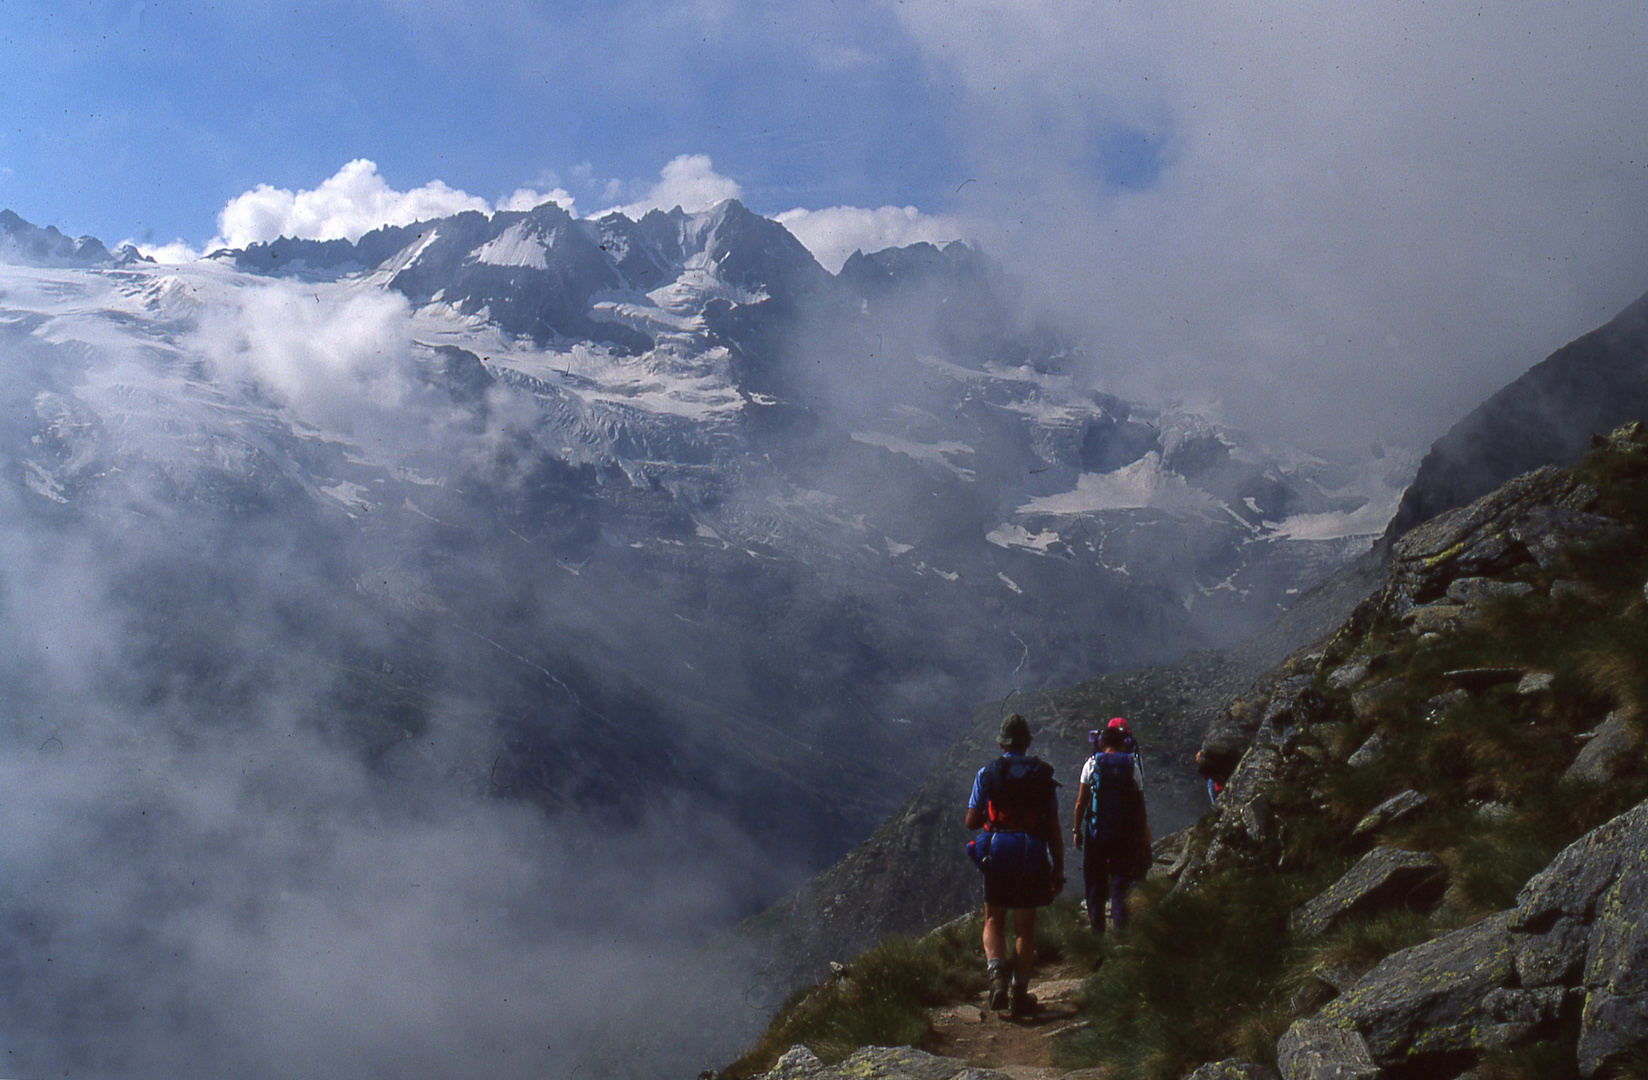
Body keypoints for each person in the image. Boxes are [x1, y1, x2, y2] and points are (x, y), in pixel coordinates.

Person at [965, 713, 1064, 1017]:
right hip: (1031, 852)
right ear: (1027, 743)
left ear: (1001, 743)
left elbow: (970, 821)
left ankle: (997, 979)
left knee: (993, 919)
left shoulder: (987, 774)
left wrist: (993, 817)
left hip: (999, 850)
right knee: (1025, 928)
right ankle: (1020, 994)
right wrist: (1057, 869)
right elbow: (1052, 828)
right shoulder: (1043, 776)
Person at [1072, 723, 1151, 932]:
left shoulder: (1091, 764)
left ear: (1102, 742)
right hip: (1124, 835)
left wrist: (1076, 831)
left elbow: (1080, 802)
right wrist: (1142, 833)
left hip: (1096, 832)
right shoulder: (1131, 765)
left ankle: (1097, 929)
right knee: (1120, 881)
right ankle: (1120, 931)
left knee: (1094, 881)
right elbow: (1140, 805)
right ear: (1122, 743)